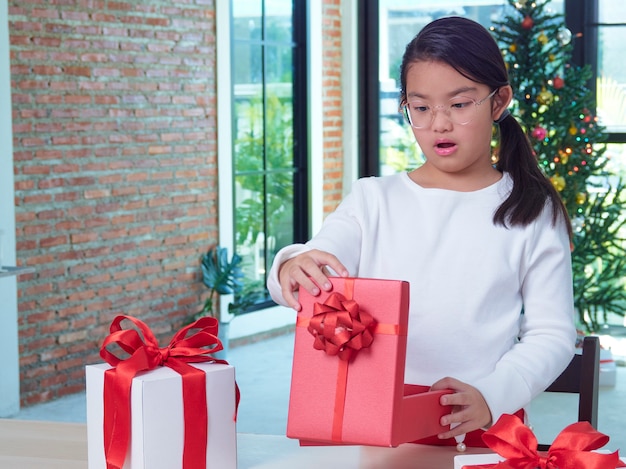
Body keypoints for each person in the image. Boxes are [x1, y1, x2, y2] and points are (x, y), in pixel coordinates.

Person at [267, 16, 576, 448]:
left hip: (475, 426)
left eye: (460, 104)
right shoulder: (373, 199)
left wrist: (493, 394)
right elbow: (318, 262)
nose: (439, 124)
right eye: (421, 107)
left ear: (498, 101)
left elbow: (554, 334)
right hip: (366, 426)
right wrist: (291, 265)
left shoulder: (531, 210)